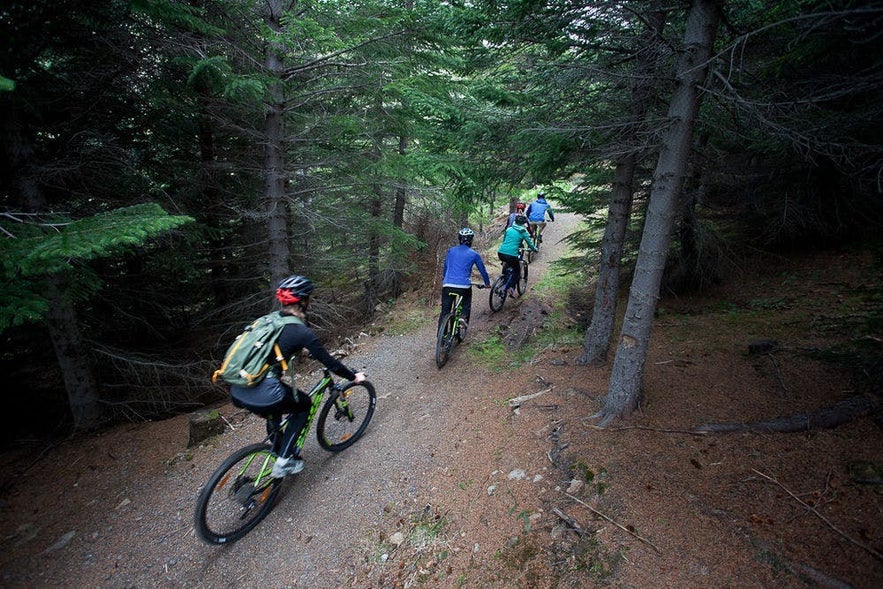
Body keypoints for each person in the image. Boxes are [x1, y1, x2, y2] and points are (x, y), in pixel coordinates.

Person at [229, 275, 366, 478]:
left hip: (238, 388)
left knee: (274, 409)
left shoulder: (269, 321)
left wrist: (299, 351)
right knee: (304, 405)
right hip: (264, 391)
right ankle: (284, 461)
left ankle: (278, 448)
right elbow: (330, 362)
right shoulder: (301, 332)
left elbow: (273, 349)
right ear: (303, 301)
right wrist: (353, 376)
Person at [439, 228, 491, 334]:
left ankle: (442, 338)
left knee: (444, 312)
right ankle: (463, 316)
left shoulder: (451, 250)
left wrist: (444, 277)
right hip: (463, 286)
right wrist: (487, 283)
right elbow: (483, 271)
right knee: (467, 297)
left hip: (447, 285)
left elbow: (445, 267)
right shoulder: (474, 254)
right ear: (471, 240)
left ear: (459, 239)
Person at [497, 215, 537, 297]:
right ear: (523, 223)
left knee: (506, 265)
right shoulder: (523, 232)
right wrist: (534, 249)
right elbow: (530, 243)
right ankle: (510, 288)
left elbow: (504, 241)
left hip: (501, 252)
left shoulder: (509, 229)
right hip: (512, 255)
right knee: (517, 271)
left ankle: (504, 279)